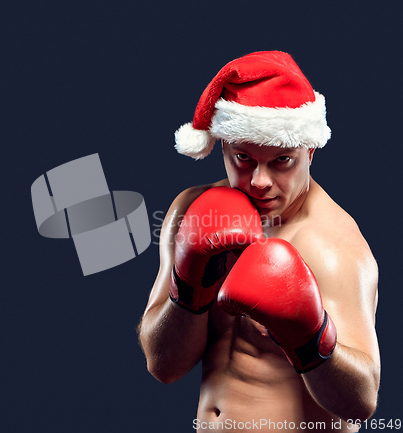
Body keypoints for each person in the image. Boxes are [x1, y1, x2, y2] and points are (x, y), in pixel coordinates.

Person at [138, 51, 380, 432]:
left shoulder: (329, 245)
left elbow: (361, 403)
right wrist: (188, 288)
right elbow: (162, 366)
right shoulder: (192, 211)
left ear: (310, 151)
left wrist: (308, 335)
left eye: (282, 160)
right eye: (243, 158)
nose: (260, 181)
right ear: (222, 147)